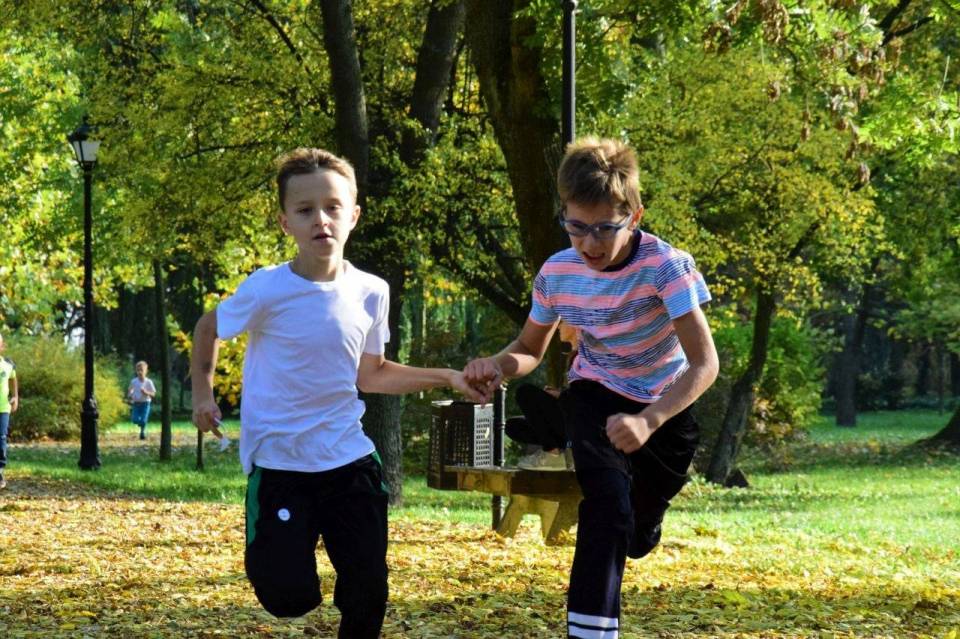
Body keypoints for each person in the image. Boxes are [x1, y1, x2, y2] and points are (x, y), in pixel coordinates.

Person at [190, 147, 484, 639]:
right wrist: (203, 394)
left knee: (368, 592)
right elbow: (207, 328)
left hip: (349, 461)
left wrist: (448, 377)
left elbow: (372, 375)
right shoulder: (267, 289)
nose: (321, 220)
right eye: (305, 210)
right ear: (286, 222)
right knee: (288, 596)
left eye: (332, 207)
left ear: (354, 215)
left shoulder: (371, 291)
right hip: (282, 465)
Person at [464, 137, 719, 639]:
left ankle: (633, 510)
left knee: (636, 534)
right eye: (576, 227)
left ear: (634, 216)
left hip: (663, 406)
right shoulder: (558, 273)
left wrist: (649, 420)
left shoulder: (666, 267)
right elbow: (530, 348)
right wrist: (497, 365)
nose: (590, 243)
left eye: (605, 228)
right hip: (596, 393)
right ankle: (591, 632)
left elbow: (704, 364)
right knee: (606, 506)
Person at [507, 321, 579, 471]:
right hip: (570, 416)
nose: (559, 327)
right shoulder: (573, 354)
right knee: (513, 426)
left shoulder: (588, 356)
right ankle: (563, 451)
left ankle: (553, 454)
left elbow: (591, 397)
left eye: (563, 323)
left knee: (525, 393)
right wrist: (559, 394)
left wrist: (560, 395)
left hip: (583, 422)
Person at [0, 333, 19, 490]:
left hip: (3, 408)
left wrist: (15, 397)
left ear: (2, 346)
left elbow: (13, 379)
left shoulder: (8, 365)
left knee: (1, 438)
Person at [127, 361, 157, 440]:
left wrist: (146, 392)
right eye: (138, 370)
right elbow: (130, 390)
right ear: (136, 371)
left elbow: (153, 393)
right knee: (134, 420)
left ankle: (142, 433)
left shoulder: (148, 382)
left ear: (146, 371)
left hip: (145, 404)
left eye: (141, 370)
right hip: (136, 404)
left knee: (143, 420)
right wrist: (130, 394)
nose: (140, 372)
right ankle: (142, 427)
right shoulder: (134, 381)